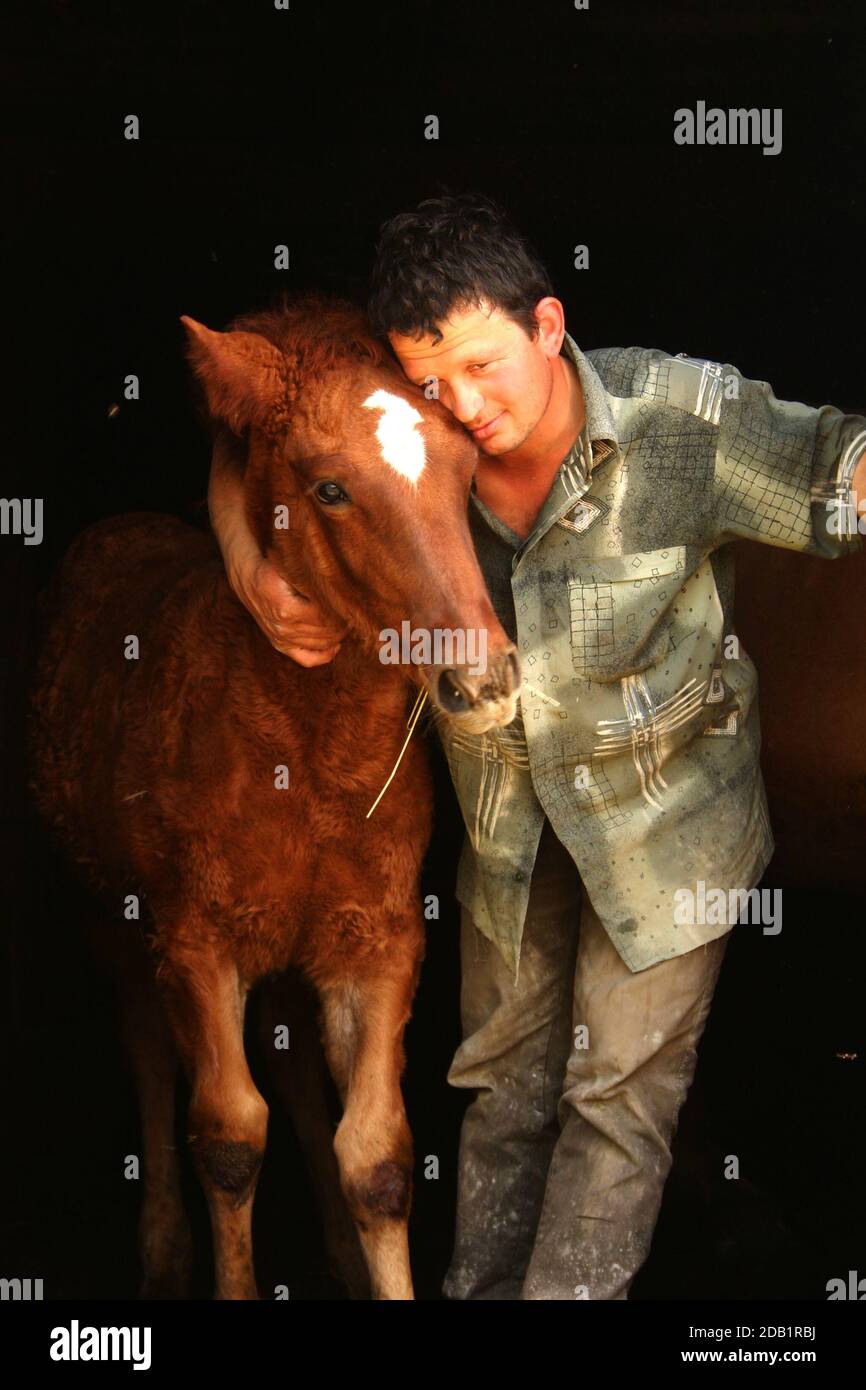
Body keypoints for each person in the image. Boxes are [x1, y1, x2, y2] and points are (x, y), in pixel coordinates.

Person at [208, 193, 866, 1300]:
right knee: (503, 1088)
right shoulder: (415, 449)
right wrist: (246, 565)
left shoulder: (674, 416)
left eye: (480, 366)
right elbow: (252, 437)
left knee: (615, 1101)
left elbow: (828, 461)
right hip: (510, 842)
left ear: (548, 326)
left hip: (669, 838)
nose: (460, 404)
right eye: (429, 380)